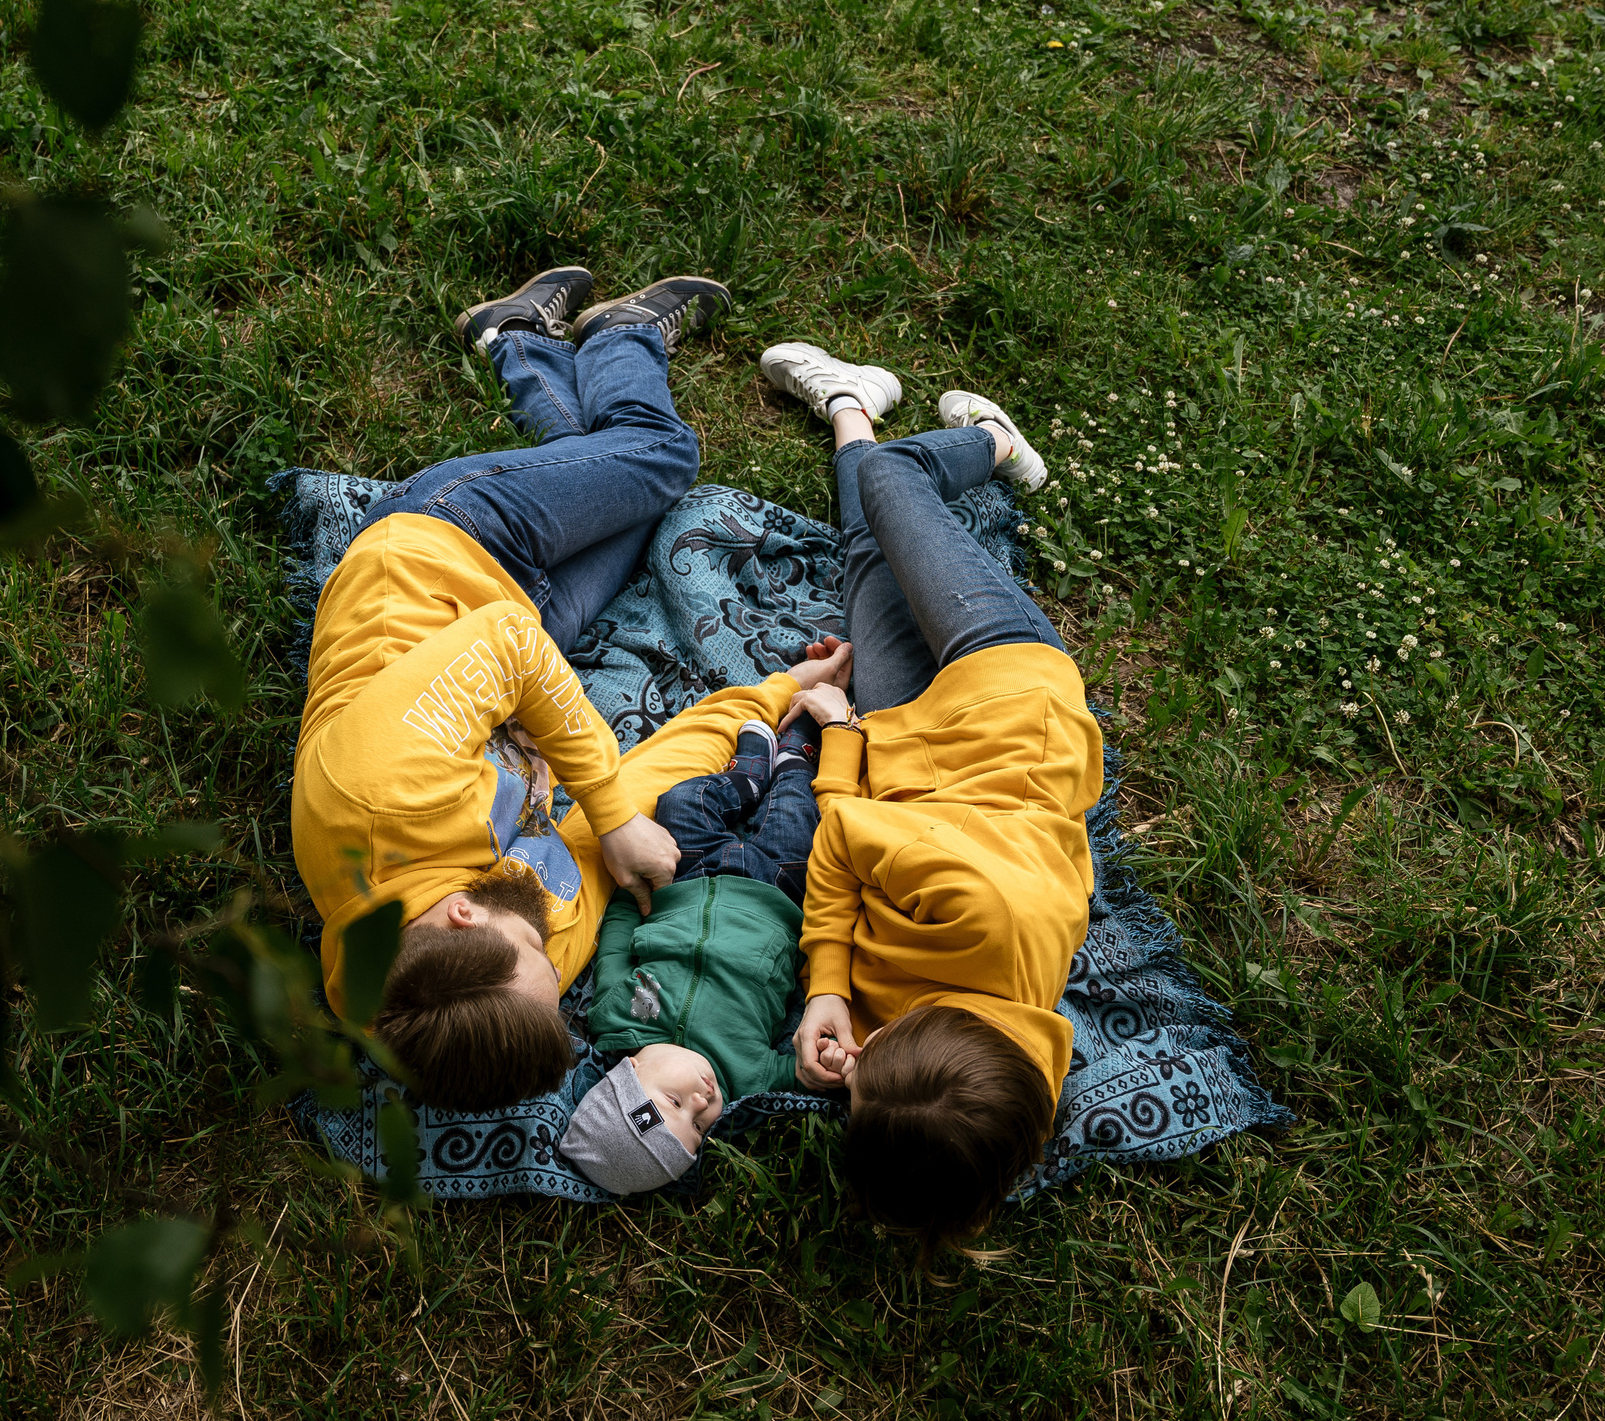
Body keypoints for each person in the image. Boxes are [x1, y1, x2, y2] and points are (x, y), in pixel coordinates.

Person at [292, 268, 854, 1114]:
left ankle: (622, 333)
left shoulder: (371, 789)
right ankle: (513, 334)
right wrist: (773, 693)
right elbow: (629, 803)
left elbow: (507, 648)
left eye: (540, 958)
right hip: (531, 637)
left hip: (439, 548)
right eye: (554, 975)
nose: (557, 950)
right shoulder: (501, 975)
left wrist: (612, 812)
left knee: (664, 459)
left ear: (459, 920)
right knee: (641, 508)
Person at [755, 340, 1101, 1248]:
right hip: (1001, 697)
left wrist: (832, 999)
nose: (852, 1057)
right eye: (865, 1065)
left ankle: (850, 407)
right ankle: (995, 445)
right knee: (894, 485)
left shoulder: (976, 1093)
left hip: (913, 757)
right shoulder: (979, 916)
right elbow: (840, 844)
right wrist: (835, 732)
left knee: (868, 557)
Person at [557, 712, 844, 1193]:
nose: (702, 1100)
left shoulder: (625, 1016)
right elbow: (801, 1069)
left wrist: (635, 897)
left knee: (682, 802)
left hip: (687, 878)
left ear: (632, 1068)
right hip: (778, 893)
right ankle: (797, 754)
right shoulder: (747, 1077)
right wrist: (829, 1066)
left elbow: (614, 954)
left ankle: (748, 772)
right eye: (698, 1126)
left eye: (674, 1100)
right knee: (798, 812)